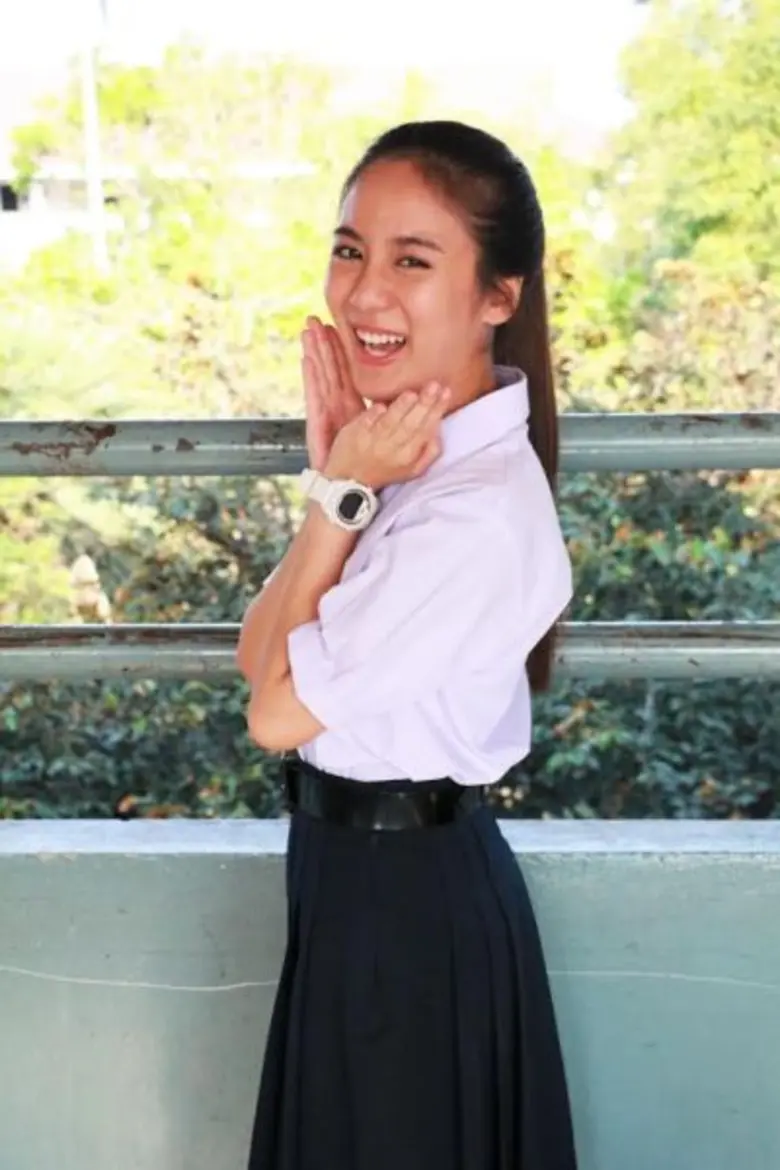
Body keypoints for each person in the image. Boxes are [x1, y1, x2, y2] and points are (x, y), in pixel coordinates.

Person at [236, 119, 577, 1170]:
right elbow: (259, 658)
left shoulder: (469, 511)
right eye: (351, 250)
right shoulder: (405, 464)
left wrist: (346, 488)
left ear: (499, 295)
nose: (365, 294)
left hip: (406, 916)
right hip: (358, 891)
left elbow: (273, 715)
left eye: (413, 261)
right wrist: (336, 488)